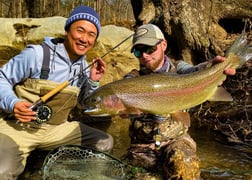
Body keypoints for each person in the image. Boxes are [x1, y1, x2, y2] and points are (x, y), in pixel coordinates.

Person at [0, 5, 113, 179]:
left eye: (91, 35)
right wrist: (13, 103)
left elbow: (83, 104)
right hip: (18, 128)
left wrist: (93, 81)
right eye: (80, 31)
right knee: (3, 171)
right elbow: (2, 78)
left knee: (104, 143)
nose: (84, 39)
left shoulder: (85, 67)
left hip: (57, 130)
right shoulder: (37, 54)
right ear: (67, 30)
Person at [124, 24, 236, 179]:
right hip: (142, 148)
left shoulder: (179, 68)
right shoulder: (132, 79)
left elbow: (194, 71)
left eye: (149, 49)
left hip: (176, 140)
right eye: (138, 51)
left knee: (185, 165)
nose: (145, 55)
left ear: (163, 45)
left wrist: (212, 67)